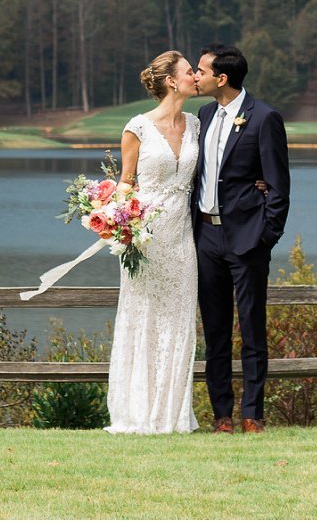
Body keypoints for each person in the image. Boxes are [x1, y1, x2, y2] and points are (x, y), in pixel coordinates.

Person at [186, 44, 289, 433]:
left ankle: (252, 414)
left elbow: (279, 188)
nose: (196, 76)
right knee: (214, 330)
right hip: (206, 239)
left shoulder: (265, 118)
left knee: (251, 328)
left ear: (222, 78)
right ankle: (222, 416)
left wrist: (266, 236)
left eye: (201, 70)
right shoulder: (205, 114)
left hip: (248, 241)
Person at [103, 50, 204, 434]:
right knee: (143, 319)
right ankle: (138, 412)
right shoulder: (137, 127)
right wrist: (115, 221)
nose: (196, 75)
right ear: (172, 81)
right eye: (189, 71)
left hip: (182, 238)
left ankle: (174, 414)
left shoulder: (195, 125)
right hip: (145, 238)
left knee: (179, 321)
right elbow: (126, 182)